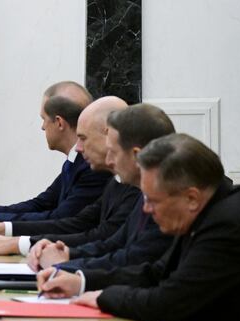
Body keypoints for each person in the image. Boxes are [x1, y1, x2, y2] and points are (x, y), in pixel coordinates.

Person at [38, 134, 240, 321]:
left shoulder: (227, 224)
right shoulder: (204, 208)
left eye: (152, 200)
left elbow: (168, 302)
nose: (146, 209)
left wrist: (102, 297)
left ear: (192, 198)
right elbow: (155, 272)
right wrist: (80, 282)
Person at [0, 97, 137, 255]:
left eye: (83, 138)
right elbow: (52, 208)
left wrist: (11, 238)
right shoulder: (116, 181)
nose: (78, 147)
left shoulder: (121, 182)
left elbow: (96, 236)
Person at [29, 104, 174, 271]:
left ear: (136, 155)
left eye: (113, 151)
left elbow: (135, 260)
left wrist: (68, 267)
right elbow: (113, 244)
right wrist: (68, 254)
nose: (109, 160)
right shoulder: (135, 190)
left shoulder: (165, 200)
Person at [0, 81, 110, 223]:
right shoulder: (75, 161)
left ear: (59, 123)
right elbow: (42, 204)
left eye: (44, 119)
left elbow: (60, 218)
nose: (42, 127)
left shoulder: (92, 166)